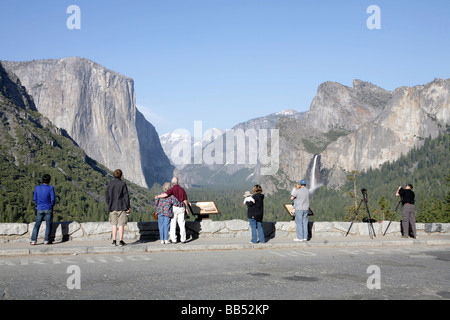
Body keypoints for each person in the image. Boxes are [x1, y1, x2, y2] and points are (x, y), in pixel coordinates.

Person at [155, 177, 189, 243]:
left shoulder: (172, 189)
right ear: (178, 182)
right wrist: (186, 208)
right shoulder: (182, 189)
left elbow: (166, 194)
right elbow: (185, 200)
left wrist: (158, 196)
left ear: (172, 183)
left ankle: (173, 239)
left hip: (174, 208)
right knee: (182, 224)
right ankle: (183, 239)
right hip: (181, 208)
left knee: (173, 224)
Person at [105, 169, 131, 246]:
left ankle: (113, 241)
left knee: (114, 225)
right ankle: (121, 241)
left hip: (112, 207)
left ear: (114, 175)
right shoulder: (123, 184)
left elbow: (107, 196)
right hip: (122, 207)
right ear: (121, 175)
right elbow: (126, 196)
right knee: (121, 225)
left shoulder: (110, 184)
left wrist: (109, 203)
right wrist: (128, 207)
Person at [30, 174, 56, 245]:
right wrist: (51, 206)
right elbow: (53, 199)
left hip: (40, 208)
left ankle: (33, 240)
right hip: (48, 208)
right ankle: (46, 240)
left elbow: (35, 198)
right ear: (49, 180)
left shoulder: (37, 188)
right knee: (48, 224)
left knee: (37, 224)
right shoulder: (50, 188)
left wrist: (38, 204)